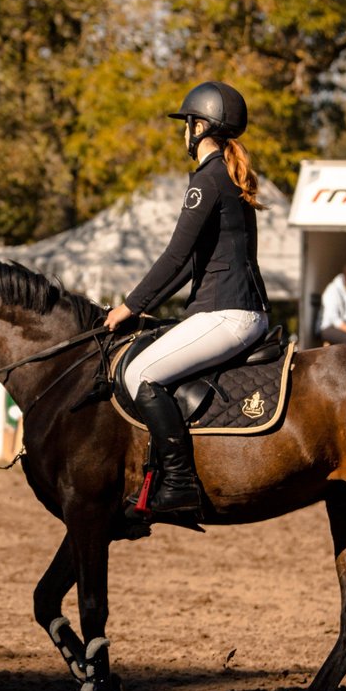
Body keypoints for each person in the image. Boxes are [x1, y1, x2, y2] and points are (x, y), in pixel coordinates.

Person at [104, 81, 270, 521]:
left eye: (187, 124)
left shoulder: (207, 180)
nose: (184, 132)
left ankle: (178, 483)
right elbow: (185, 268)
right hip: (235, 309)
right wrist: (146, 309)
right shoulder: (225, 176)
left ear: (200, 126)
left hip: (228, 312)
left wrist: (128, 307)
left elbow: (174, 256)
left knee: (141, 372)